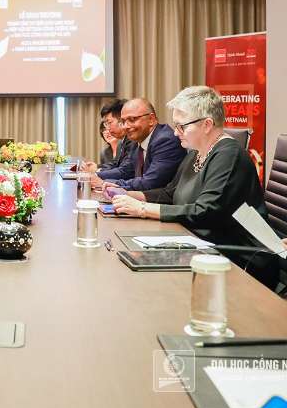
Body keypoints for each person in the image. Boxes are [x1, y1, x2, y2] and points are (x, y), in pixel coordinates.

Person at [112, 86, 278, 289]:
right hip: (202, 245)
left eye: (181, 126)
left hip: (239, 259)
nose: (175, 132)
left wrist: (142, 209)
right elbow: (170, 193)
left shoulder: (229, 155)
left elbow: (205, 211)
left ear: (207, 124)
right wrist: (130, 195)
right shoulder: (196, 152)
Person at [90, 98, 186, 191]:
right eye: (123, 121)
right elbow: (128, 171)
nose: (126, 126)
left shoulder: (165, 140)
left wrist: (104, 183)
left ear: (151, 119)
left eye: (132, 119)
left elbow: (150, 182)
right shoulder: (137, 141)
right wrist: (94, 177)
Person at [81, 99, 133, 171]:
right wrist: (97, 167)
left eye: (109, 122)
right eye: (106, 124)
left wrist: (97, 170)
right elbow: (115, 164)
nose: (107, 129)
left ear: (122, 120)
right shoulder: (122, 142)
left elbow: (124, 171)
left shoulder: (132, 140)